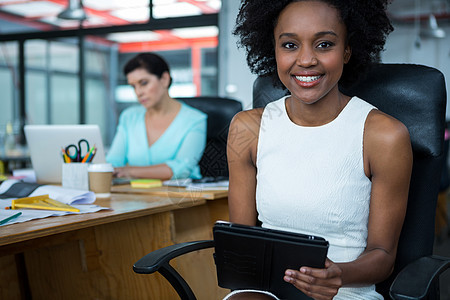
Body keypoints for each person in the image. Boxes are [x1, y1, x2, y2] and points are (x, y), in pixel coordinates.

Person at [226, 0, 412, 299]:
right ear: (273, 50)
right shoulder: (247, 129)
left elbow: (383, 255)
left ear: (347, 50)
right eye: (289, 45)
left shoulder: (384, 135)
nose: (306, 60)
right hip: (267, 292)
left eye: (324, 44)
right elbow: (243, 245)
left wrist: (338, 274)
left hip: (346, 291)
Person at [106, 53, 207, 180]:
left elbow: (181, 169)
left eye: (143, 83)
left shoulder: (195, 120)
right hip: (133, 195)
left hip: (180, 196)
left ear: (164, 79)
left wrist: (130, 171)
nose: (138, 92)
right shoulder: (129, 117)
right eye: (133, 86)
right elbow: (113, 161)